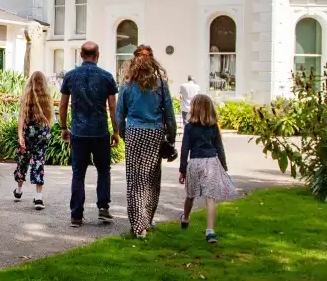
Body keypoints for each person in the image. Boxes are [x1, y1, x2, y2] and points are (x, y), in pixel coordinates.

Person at [116, 49, 176, 239]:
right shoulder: (161, 85)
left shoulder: (127, 86)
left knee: (134, 180)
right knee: (151, 178)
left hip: (134, 131)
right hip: (154, 132)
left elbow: (119, 115)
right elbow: (170, 116)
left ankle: (138, 225)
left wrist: (125, 135)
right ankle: (147, 219)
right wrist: (171, 139)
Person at [59, 42, 120, 228]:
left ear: (81, 55)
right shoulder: (107, 77)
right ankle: (103, 208)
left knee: (78, 174)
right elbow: (112, 108)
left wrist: (63, 127)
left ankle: (76, 215)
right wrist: (116, 131)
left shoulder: (70, 76)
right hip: (100, 131)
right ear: (97, 55)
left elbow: (62, 105)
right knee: (103, 170)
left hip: (78, 131)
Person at [179, 94, 238, 244]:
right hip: (211, 163)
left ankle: (185, 218)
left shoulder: (189, 127)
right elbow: (219, 147)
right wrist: (224, 166)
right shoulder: (213, 127)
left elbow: (185, 149)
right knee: (210, 198)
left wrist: (182, 169)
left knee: (190, 195)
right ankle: (210, 231)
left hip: (194, 163)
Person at [14, 71, 52, 210]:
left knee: (23, 160)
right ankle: (38, 197)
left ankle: (18, 190)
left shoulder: (26, 97)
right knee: (38, 162)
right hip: (42, 133)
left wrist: (20, 136)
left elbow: (21, 117)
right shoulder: (46, 97)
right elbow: (49, 120)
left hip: (29, 133)